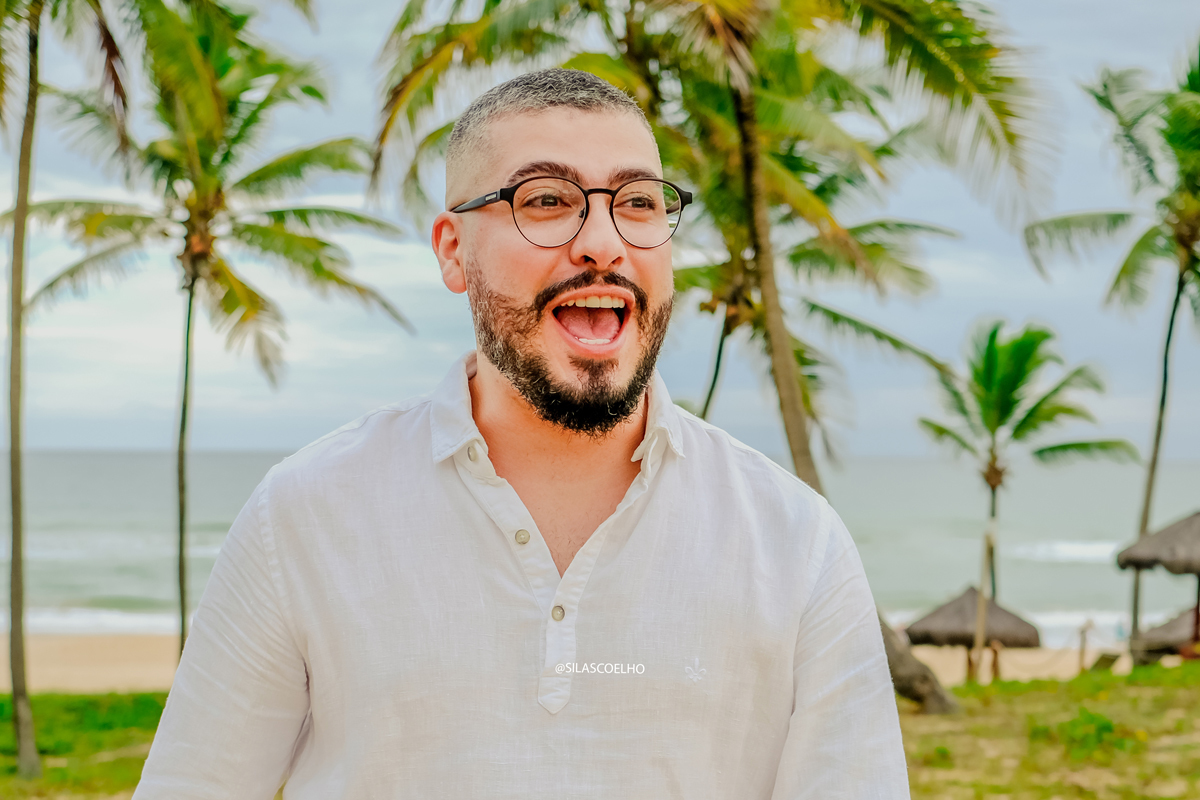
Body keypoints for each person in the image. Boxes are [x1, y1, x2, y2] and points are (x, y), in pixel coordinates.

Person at [134, 68, 909, 799]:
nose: (604, 241)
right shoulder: (304, 515)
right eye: (546, 200)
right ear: (453, 251)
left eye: (638, 202)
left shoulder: (797, 543)